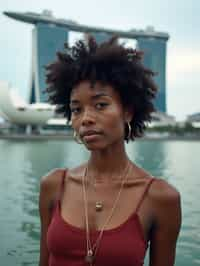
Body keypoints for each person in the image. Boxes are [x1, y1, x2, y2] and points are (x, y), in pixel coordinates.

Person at [38, 36, 182, 266]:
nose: (86, 118)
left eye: (100, 105)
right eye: (76, 109)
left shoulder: (161, 198)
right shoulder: (54, 185)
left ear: (128, 112)